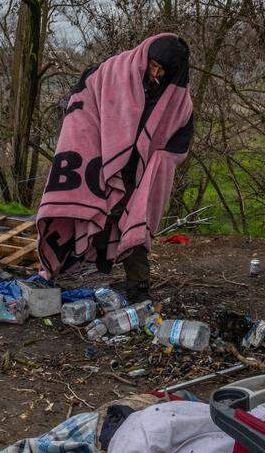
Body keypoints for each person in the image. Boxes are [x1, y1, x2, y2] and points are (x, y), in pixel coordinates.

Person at [36, 33, 193, 302]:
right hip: (98, 156)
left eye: (163, 70)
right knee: (82, 211)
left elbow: (178, 144)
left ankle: (138, 285)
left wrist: (151, 164)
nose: (155, 72)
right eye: (153, 64)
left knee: (135, 221)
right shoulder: (111, 73)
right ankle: (54, 271)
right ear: (146, 56)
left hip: (140, 173)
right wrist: (102, 151)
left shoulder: (178, 103)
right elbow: (82, 107)